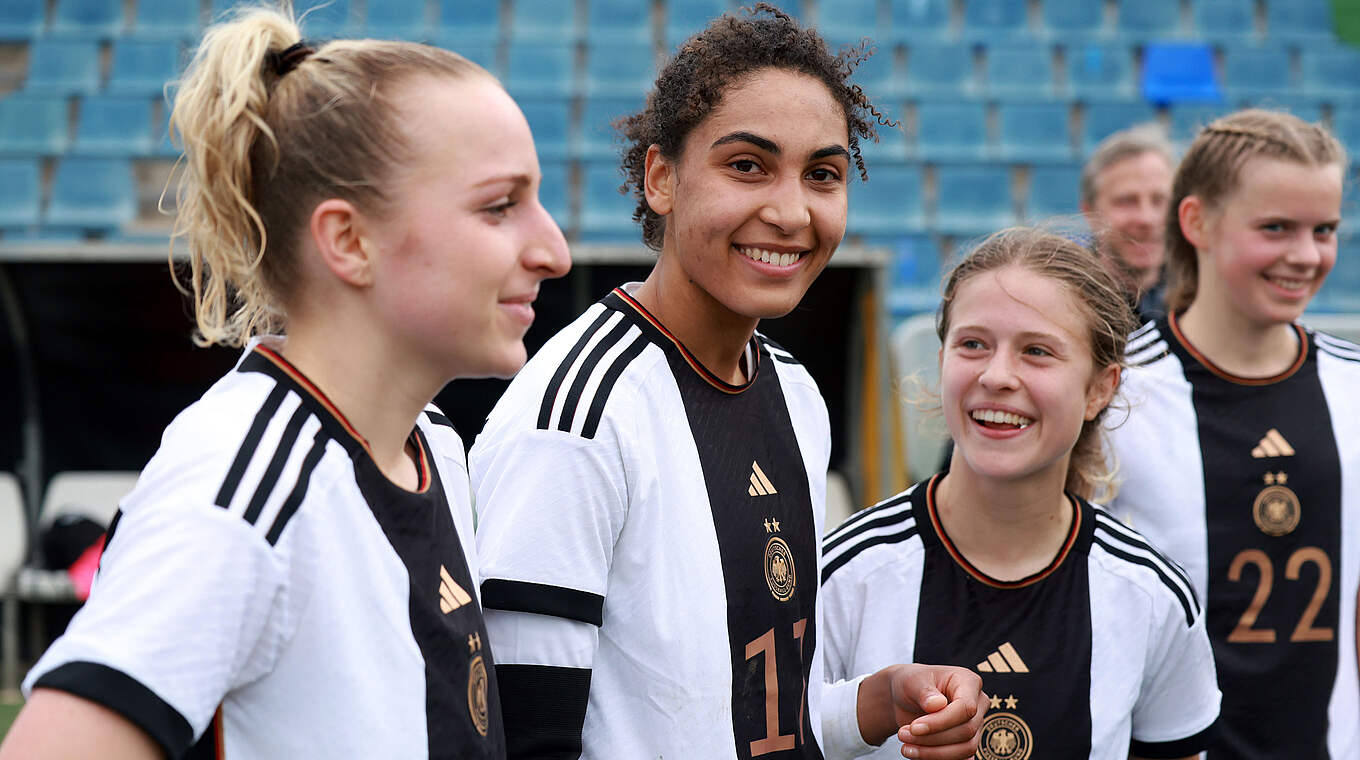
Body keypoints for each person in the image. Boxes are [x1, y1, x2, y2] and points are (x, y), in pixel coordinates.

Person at [0, 5, 569, 758]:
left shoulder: (430, 443)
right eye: (499, 206)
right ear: (348, 240)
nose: (554, 249)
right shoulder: (241, 488)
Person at [469, 6, 984, 759]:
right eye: (747, 166)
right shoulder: (578, 418)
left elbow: (745, 714)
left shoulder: (797, 395)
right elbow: (522, 739)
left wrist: (877, 701)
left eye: (823, 175)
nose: (790, 211)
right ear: (661, 178)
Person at [821, 228, 1221, 759]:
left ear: (1101, 388)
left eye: (1036, 351)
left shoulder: (1151, 594)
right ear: (942, 361)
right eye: (972, 345)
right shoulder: (846, 573)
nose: (997, 375)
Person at [1106, 108, 1358, 758]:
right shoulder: (1111, 394)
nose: (1305, 255)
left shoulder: (1353, 388)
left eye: (1323, 230)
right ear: (1197, 223)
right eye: (1276, 228)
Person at [1079, 123, 1176, 323]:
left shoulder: (1204, 299)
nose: (1147, 219)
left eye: (1159, 200)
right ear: (1090, 213)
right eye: (1127, 201)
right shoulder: (1065, 301)